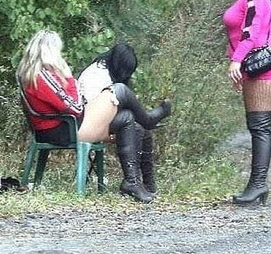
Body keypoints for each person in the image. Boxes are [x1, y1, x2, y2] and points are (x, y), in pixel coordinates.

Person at [16, 30, 171, 203]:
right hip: (64, 130)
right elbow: (75, 107)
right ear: (50, 52)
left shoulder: (37, 74)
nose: (60, 56)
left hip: (66, 126)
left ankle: (132, 182)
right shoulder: (41, 76)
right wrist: (69, 77)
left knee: (127, 117)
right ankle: (149, 119)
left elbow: (71, 104)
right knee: (119, 90)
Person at [214, 0, 271, 206]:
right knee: (255, 125)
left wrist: (236, 62)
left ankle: (258, 185)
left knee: (260, 126)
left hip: (266, 63)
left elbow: (251, 32)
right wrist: (238, 67)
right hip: (252, 66)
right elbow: (235, 37)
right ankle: (257, 185)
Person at [77, 43, 162, 196]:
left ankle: (148, 184)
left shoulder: (108, 72)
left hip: (99, 120)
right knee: (134, 123)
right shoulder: (96, 75)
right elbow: (91, 110)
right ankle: (132, 181)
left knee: (142, 128)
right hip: (88, 123)